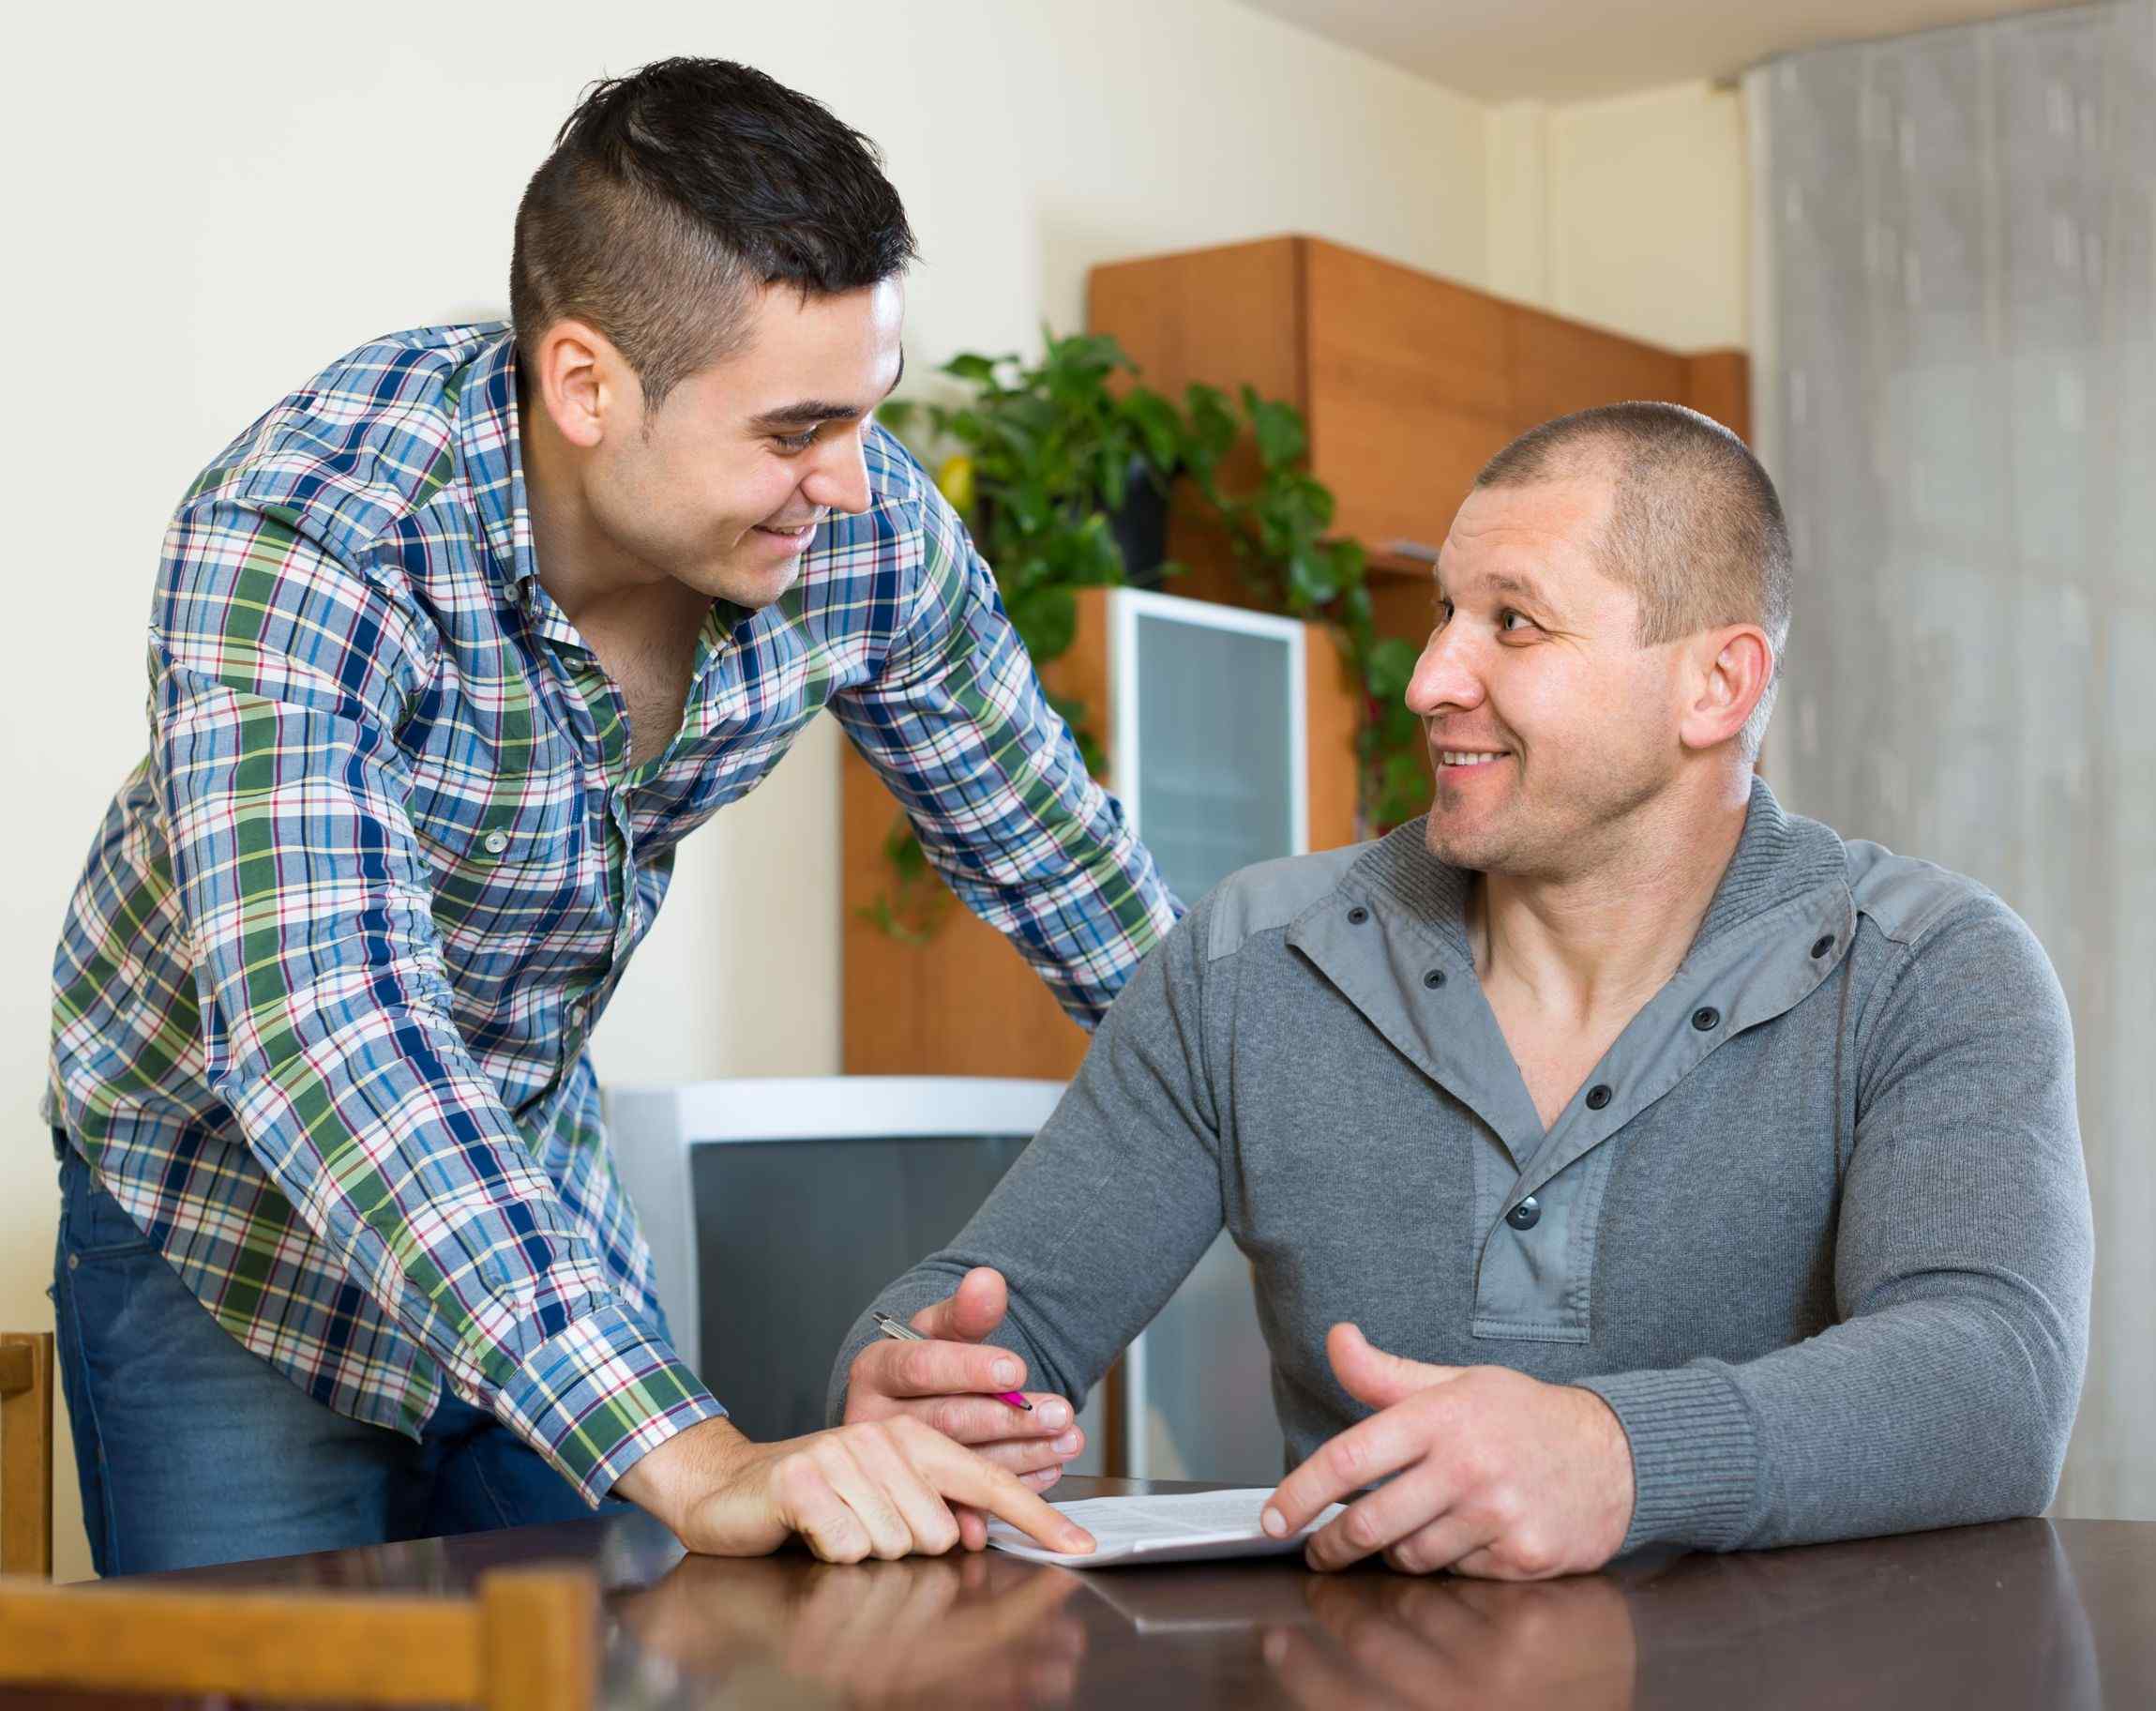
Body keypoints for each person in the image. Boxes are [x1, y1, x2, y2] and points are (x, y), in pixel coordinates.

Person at [48, 56, 1168, 1574]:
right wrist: (703, 1462)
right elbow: (331, 1039)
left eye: (865, 413)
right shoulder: (313, 530)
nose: (852, 483)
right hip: (226, 1210)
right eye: (794, 430)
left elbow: (1079, 879)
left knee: (627, 1653)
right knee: (270, 1671)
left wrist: (1352, 1173)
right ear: (585, 385)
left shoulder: (859, 531)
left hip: (524, 1182)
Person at [832, 401, 2094, 1577]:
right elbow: (994, 1313)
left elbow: (1995, 1381)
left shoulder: (1933, 969)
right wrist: (912, 1379)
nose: (1430, 677)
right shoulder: (1243, 963)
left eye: (1514, 623)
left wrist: (1615, 1455)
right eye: (1445, 612)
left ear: (1717, 685)